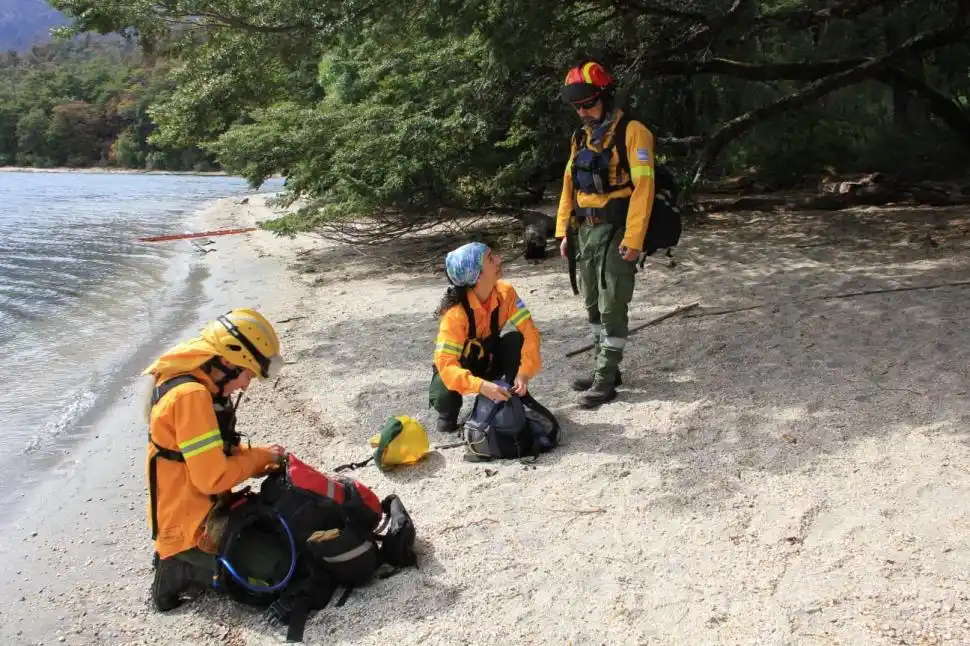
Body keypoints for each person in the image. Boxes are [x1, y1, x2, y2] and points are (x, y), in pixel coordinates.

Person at [141, 307, 287, 612]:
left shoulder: (194, 380)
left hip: (204, 514)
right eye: (247, 373)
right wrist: (260, 457)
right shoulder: (190, 397)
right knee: (281, 569)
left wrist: (262, 459)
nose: (245, 385)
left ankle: (184, 559)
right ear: (226, 362)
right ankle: (178, 568)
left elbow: (213, 457)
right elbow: (213, 478)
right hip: (193, 532)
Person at [555, 58, 657, 409]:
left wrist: (634, 238)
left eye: (588, 103)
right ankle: (605, 368)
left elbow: (644, 187)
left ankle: (604, 377)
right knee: (592, 304)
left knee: (613, 301)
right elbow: (570, 185)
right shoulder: (580, 138)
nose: (582, 112)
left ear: (605, 96)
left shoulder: (634, 132)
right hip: (586, 230)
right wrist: (564, 230)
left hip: (618, 229)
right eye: (576, 106)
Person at [429, 241, 542, 433]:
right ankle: (448, 414)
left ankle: (514, 392)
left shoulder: (506, 293)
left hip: (488, 362)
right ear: (477, 275)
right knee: (443, 381)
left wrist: (524, 373)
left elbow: (529, 332)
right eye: (491, 258)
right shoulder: (455, 315)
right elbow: (447, 365)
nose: (499, 260)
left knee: (516, 339)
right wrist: (480, 386)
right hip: (464, 368)